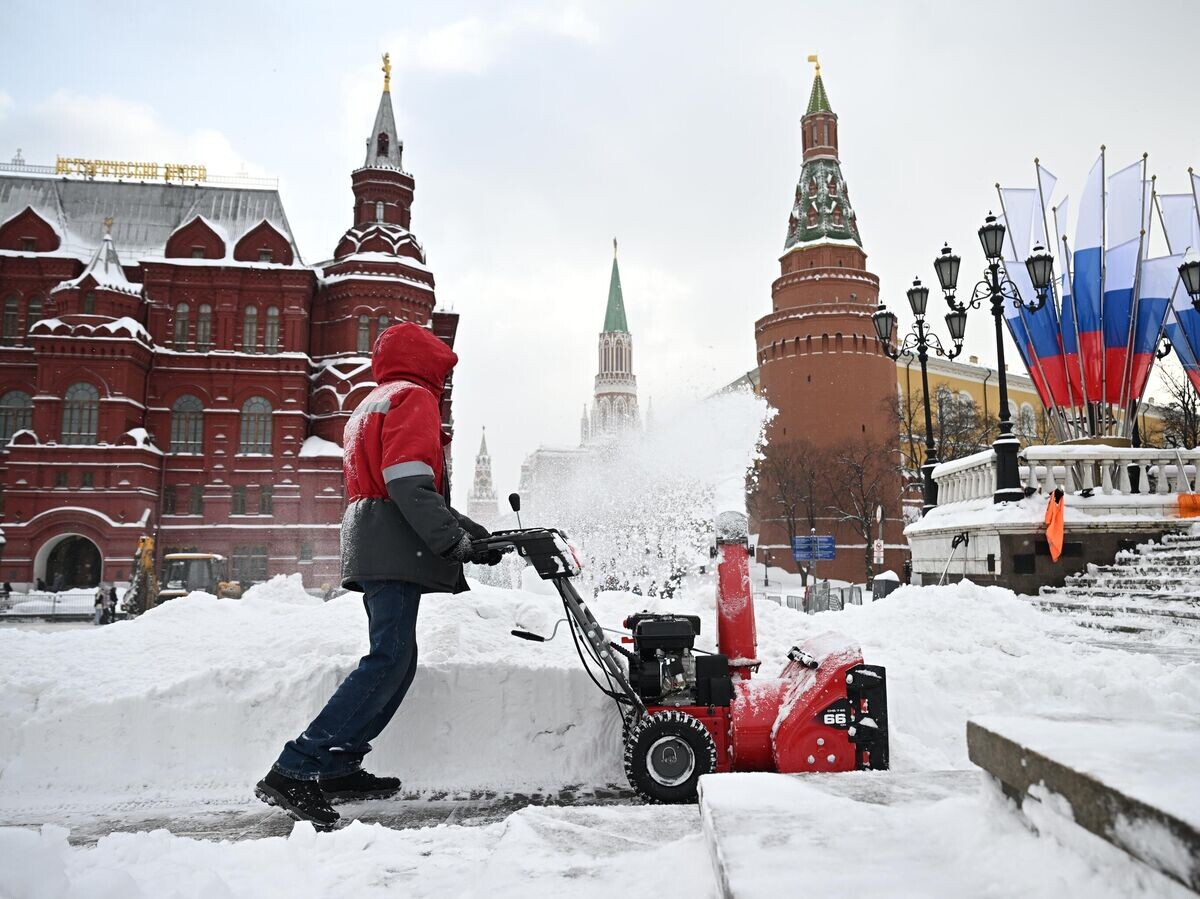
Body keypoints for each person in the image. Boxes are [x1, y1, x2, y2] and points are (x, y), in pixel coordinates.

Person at [256, 323, 502, 830]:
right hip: (393, 542)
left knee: (398, 659)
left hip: (370, 536)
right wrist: (452, 541)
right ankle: (295, 767)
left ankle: (339, 764)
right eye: (443, 372)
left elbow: (399, 485)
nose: (444, 383)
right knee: (388, 657)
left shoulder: (372, 401)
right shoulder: (414, 398)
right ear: (427, 364)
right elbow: (408, 483)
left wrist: (472, 531)